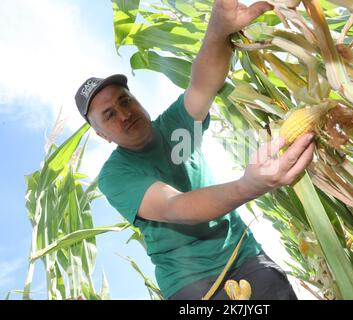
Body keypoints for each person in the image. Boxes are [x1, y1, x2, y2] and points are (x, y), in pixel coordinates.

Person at [74, 0, 315, 300]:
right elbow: (176, 207)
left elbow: (203, 83)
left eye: (125, 100)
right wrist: (248, 186)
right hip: (191, 284)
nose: (124, 114)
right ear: (101, 134)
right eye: (109, 115)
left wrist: (218, 30)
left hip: (245, 256)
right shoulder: (115, 175)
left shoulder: (175, 123)